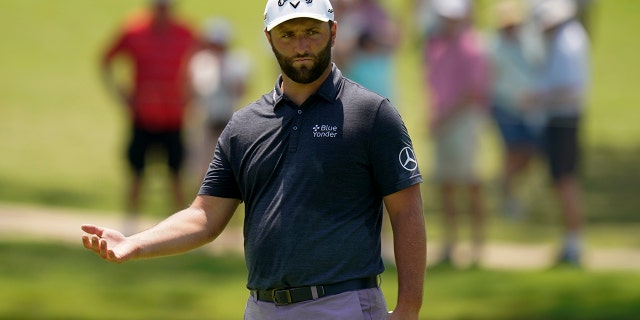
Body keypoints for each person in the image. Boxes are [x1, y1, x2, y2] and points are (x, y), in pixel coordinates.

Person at [82, 0, 427, 318]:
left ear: (333, 31)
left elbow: (406, 210)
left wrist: (409, 307)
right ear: (270, 38)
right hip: (263, 308)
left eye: (311, 32)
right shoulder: (244, 126)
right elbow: (204, 216)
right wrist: (135, 243)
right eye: (287, 34)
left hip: (344, 305)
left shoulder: (371, 114)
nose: (301, 45)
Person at [100, 0, 197, 233]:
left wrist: (192, 94)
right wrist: (122, 95)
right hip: (143, 115)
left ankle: (182, 229)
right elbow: (106, 59)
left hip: (173, 116)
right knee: (136, 172)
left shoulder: (186, 32)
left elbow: (203, 63)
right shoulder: (134, 30)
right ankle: (129, 225)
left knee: (176, 174)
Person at [422, 0, 490, 268]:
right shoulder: (435, 43)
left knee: (471, 183)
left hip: (464, 121)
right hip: (444, 120)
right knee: (447, 185)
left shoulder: (473, 45)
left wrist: (444, 115)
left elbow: (474, 91)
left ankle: (477, 245)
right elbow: (431, 82)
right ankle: (451, 244)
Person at [531, 0, 590, 266]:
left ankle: (574, 243)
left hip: (563, 118)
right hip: (561, 118)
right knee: (562, 181)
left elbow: (569, 88)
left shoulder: (568, 41)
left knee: (565, 181)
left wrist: (539, 98)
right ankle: (570, 240)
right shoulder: (565, 38)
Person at [489, 0, 542, 219]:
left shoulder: (529, 42)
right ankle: (509, 199)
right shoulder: (493, 47)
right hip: (504, 106)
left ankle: (507, 189)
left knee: (529, 153)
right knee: (513, 153)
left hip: (528, 109)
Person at [187, 17, 252, 180]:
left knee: (231, 163)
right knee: (203, 163)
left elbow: (241, 90)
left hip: (229, 118)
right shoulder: (200, 62)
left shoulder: (237, 62)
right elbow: (194, 90)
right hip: (206, 119)